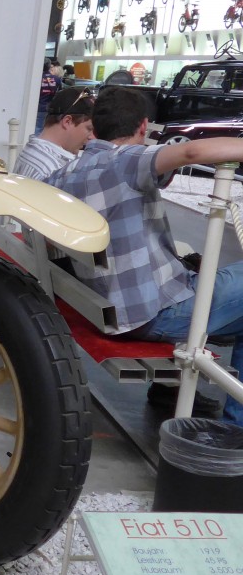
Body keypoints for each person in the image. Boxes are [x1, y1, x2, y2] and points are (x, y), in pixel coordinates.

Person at [44, 87, 243, 420]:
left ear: (95, 127)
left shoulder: (62, 175)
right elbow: (193, 151)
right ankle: (234, 425)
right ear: (143, 126)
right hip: (150, 312)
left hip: (102, 305)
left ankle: (235, 425)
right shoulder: (125, 161)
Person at [13, 87, 94, 181]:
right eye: (89, 128)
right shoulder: (48, 169)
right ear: (67, 121)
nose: (91, 136)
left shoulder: (37, 155)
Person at [35, 58, 63, 133]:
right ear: (49, 66)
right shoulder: (57, 79)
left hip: (38, 106)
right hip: (51, 108)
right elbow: (60, 93)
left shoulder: (37, 78)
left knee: (37, 128)